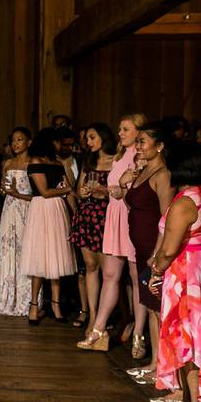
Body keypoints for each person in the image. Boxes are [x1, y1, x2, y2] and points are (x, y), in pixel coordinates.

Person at [148, 142, 201, 402]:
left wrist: (156, 270)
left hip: (186, 274)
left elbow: (169, 249)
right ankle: (195, 401)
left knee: (189, 340)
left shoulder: (184, 202)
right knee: (197, 338)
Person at [79, 114, 146, 351]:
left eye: (126, 129)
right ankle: (98, 329)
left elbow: (138, 189)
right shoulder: (119, 156)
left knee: (137, 279)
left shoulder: (141, 156)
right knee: (110, 275)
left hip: (131, 216)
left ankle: (139, 333)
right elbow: (114, 189)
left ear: (139, 133)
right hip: (114, 215)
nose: (120, 133)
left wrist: (122, 188)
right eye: (119, 129)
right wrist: (102, 191)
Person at [123, 122, 174, 374]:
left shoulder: (162, 175)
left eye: (143, 141)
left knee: (159, 306)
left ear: (160, 145)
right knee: (152, 307)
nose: (138, 146)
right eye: (138, 141)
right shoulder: (141, 170)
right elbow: (132, 203)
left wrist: (158, 253)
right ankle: (155, 362)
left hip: (154, 249)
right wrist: (125, 184)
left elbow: (167, 217)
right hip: (140, 248)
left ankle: (165, 367)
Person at [21, 128, 76, 325]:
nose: (60, 146)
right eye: (57, 142)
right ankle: (34, 305)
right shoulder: (35, 162)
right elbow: (44, 191)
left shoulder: (58, 163)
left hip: (58, 210)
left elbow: (67, 191)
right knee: (40, 259)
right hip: (42, 209)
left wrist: (75, 213)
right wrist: (67, 189)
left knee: (56, 258)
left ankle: (55, 304)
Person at [69, 123, 115, 332]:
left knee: (108, 271)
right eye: (87, 138)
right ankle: (93, 315)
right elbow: (79, 189)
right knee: (89, 266)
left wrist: (104, 190)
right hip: (87, 214)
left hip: (107, 216)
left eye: (92, 137)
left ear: (104, 137)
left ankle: (104, 320)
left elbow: (121, 191)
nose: (88, 142)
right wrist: (85, 191)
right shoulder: (88, 161)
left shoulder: (116, 161)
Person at [0, 128, 33, 317]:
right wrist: (4, 189)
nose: (16, 144)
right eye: (14, 140)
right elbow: (3, 188)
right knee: (7, 252)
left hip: (26, 210)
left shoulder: (33, 163)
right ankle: (6, 298)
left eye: (20, 139)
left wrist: (18, 192)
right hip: (9, 210)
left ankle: (26, 300)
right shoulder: (7, 163)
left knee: (24, 251)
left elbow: (37, 194)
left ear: (29, 142)